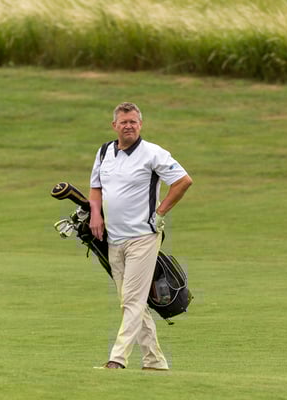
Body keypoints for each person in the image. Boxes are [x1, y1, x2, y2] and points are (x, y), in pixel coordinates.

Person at [89, 102, 192, 370]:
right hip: (114, 239)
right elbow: (96, 187)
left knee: (133, 300)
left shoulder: (153, 153)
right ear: (114, 125)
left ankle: (117, 359)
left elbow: (183, 181)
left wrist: (160, 212)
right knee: (130, 301)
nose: (129, 126)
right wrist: (96, 214)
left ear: (140, 124)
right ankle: (155, 361)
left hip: (143, 237)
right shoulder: (104, 152)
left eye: (133, 121)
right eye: (124, 122)